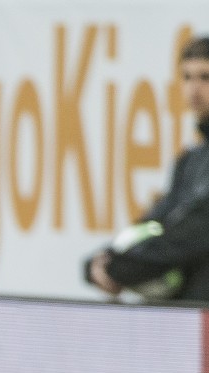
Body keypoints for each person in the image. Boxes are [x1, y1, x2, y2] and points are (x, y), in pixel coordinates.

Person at [86, 36, 209, 301]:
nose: (195, 89)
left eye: (205, 77)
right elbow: (159, 222)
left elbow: (194, 232)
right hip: (187, 316)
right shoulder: (190, 160)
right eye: (187, 77)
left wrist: (121, 267)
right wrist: (107, 258)